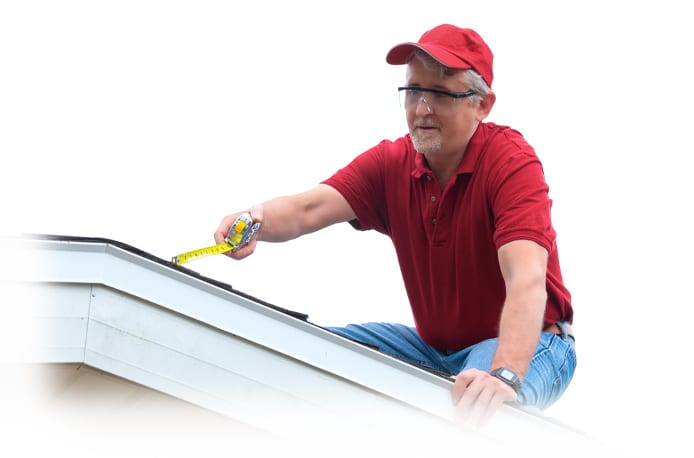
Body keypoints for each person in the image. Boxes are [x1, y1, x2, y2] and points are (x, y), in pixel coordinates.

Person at [215, 24, 576, 424]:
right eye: (413, 91)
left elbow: (526, 278)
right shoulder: (392, 164)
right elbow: (307, 208)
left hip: (533, 345)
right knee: (310, 357)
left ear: (483, 105)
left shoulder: (511, 164)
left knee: (479, 396)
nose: (421, 108)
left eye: (439, 94)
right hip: (431, 348)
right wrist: (254, 221)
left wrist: (504, 374)